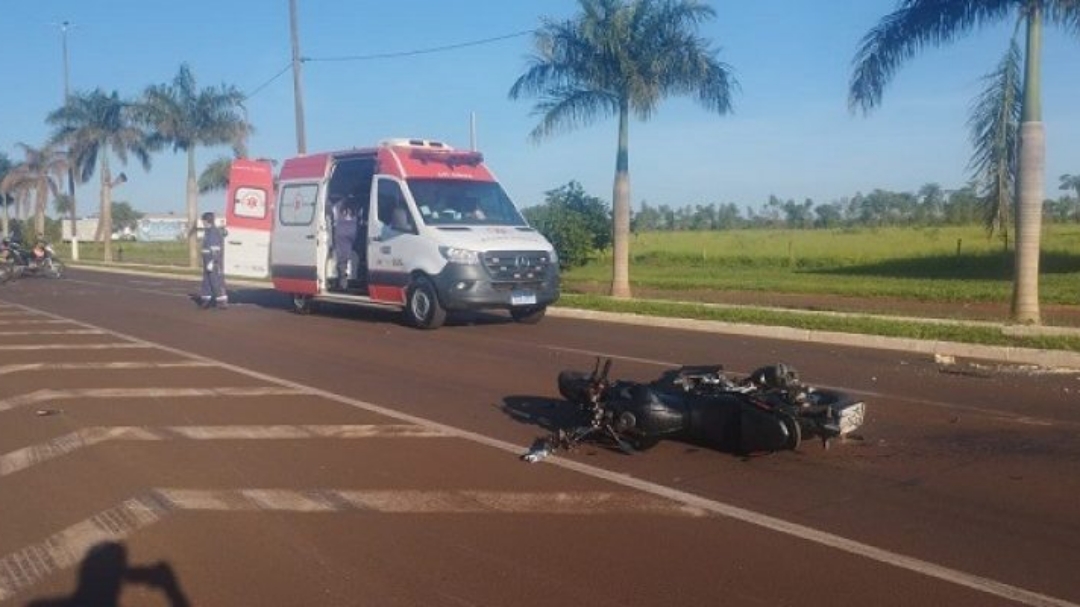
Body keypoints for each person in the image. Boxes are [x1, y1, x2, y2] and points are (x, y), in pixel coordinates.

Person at [197, 212, 228, 309]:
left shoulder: (213, 232)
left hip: (213, 261)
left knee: (216, 281)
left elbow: (216, 248)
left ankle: (221, 301)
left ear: (207, 221)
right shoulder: (208, 231)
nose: (202, 222)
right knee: (206, 281)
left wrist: (213, 261)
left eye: (203, 220)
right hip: (207, 260)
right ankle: (206, 300)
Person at [332, 196, 359, 291]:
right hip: (353, 231)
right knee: (351, 256)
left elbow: (334, 218)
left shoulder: (338, 205)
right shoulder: (356, 205)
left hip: (341, 233)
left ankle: (343, 284)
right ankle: (351, 280)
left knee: (342, 259)